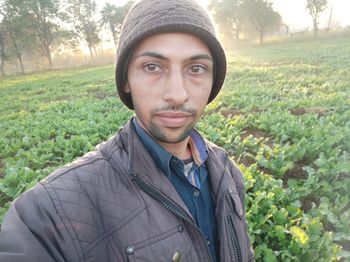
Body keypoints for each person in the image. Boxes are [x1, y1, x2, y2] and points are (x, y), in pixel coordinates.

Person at [0, 0, 254, 261]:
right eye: (152, 67)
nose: (177, 94)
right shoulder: (49, 211)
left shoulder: (225, 170)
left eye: (196, 69)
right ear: (126, 80)